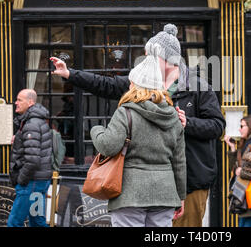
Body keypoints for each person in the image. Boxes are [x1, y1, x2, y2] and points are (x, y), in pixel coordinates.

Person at [50, 23, 226, 227]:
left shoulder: (198, 86)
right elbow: (106, 84)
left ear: (166, 58)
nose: (146, 58)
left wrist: (188, 123)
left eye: (151, 54)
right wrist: (69, 74)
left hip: (191, 180)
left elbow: (217, 126)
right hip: (150, 186)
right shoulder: (142, 82)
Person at [90, 42, 186, 227]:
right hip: (165, 194)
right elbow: (179, 162)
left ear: (135, 84)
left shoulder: (126, 112)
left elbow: (108, 146)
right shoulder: (174, 116)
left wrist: (97, 130)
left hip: (130, 194)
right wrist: (180, 197)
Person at [8, 89, 53, 227]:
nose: (16, 102)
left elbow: (33, 160)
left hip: (31, 182)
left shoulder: (31, 124)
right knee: (37, 222)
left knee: (14, 223)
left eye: (19, 100)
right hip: (39, 180)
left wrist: (21, 180)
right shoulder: (35, 121)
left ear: (30, 102)